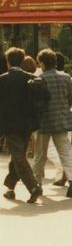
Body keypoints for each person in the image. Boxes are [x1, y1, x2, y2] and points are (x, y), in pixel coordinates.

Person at [0, 47, 49, 203]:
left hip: (10, 124)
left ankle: (33, 187)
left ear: (8, 61)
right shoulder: (32, 78)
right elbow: (46, 97)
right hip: (28, 123)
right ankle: (10, 187)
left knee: (18, 156)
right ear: (22, 61)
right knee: (18, 154)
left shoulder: (2, 80)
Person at [31, 49, 72, 198]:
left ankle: (37, 184)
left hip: (44, 121)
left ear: (42, 63)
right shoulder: (66, 77)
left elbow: (36, 102)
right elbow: (70, 98)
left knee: (40, 155)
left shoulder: (39, 79)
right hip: (62, 119)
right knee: (66, 152)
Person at [46, 52, 72, 187]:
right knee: (64, 150)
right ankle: (63, 175)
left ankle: (64, 171)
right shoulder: (70, 79)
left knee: (50, 149)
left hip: (50, 118)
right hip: (66, 118)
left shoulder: (46, 78)